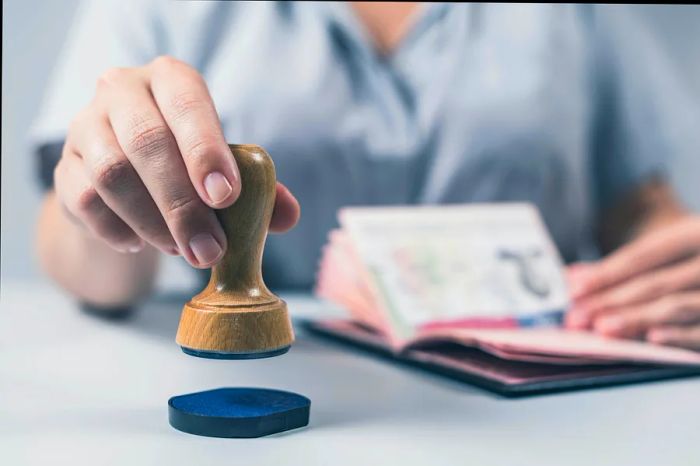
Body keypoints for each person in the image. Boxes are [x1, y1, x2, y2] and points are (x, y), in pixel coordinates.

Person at [32, 2, 700, 349]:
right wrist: (103, 213)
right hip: (288, 384)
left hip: (544, 395)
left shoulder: (577, 14)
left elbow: (639, 205)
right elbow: (84, 250)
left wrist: (673, 270)